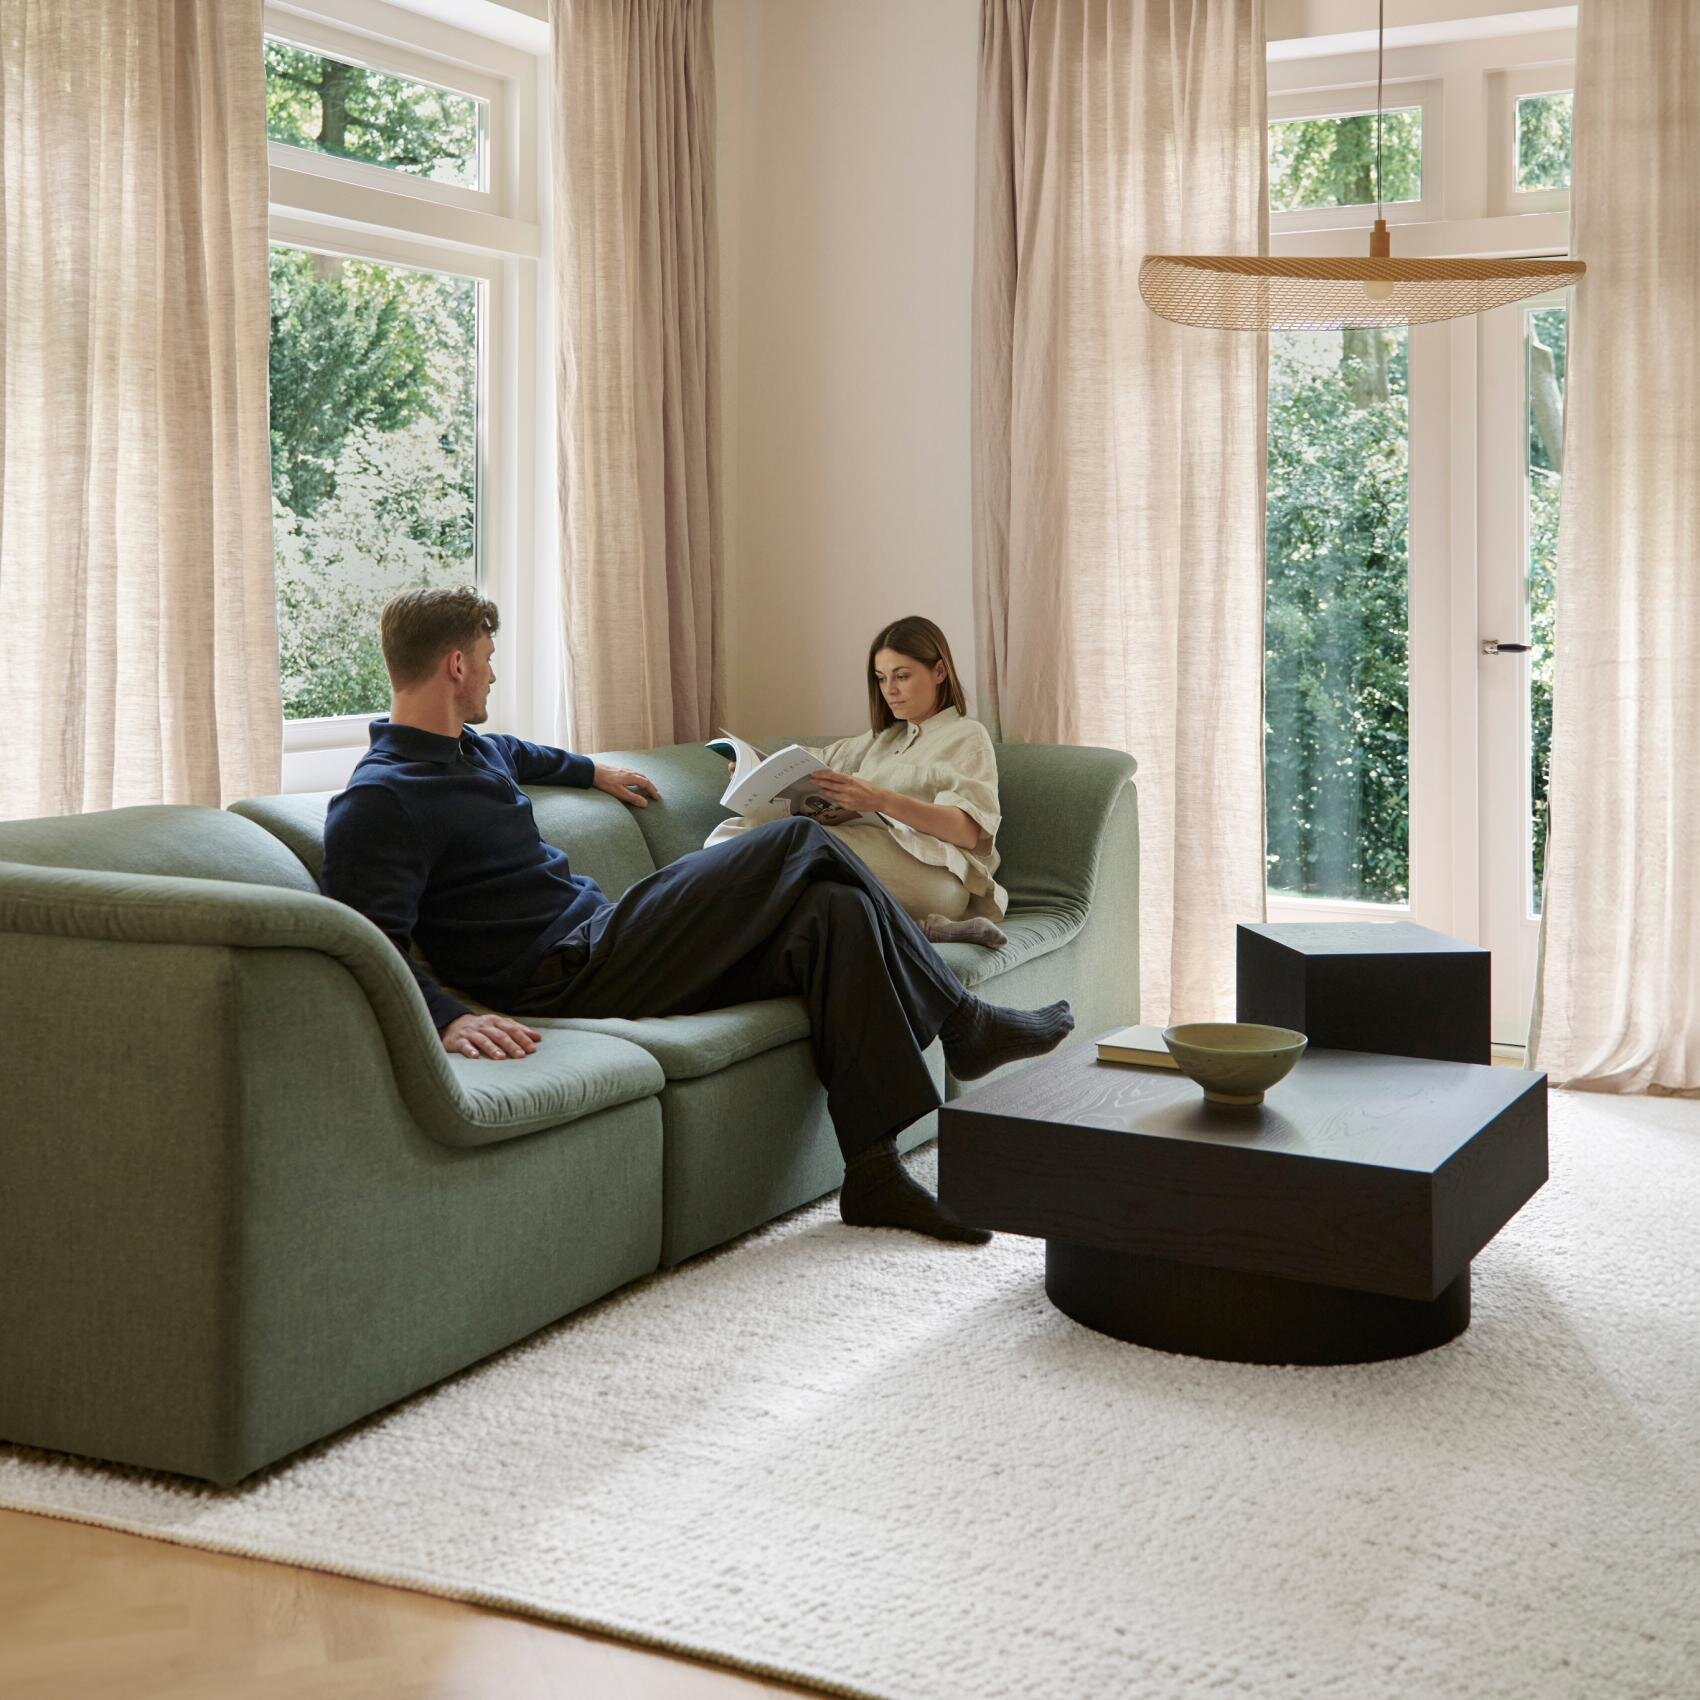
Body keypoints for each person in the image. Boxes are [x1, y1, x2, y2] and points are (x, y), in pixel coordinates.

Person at [320, 586, 1076, 1247]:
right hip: (565, 970)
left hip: (606, 934)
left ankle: (872, 1175)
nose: (492, 671)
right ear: (454, 666)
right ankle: (962, 1023)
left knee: (832, 911)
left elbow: (524, 754)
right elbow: (364, 937)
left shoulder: (471, 750)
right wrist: (448, 1015)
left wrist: (592, 770)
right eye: (485, 657)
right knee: (797, 841)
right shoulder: (382, 797)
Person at [707, 616, 1011, 951]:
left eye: (902, 676)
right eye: (881, 679)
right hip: (864, 863)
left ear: (939, 672)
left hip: (933, 877)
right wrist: (755, 766)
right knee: (736, 832)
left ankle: (908, 924)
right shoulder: (883, 738)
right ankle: (916, 929)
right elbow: (816, 761)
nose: (890, 690)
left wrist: (881, 800)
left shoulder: (967, 736)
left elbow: (968, 831)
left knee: (798, 841)